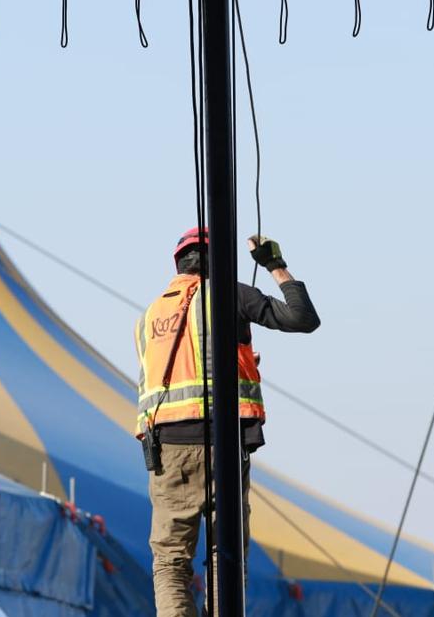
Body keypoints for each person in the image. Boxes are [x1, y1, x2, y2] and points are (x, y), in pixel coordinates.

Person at [134, 227, 320, 616]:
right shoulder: (229, 294)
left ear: (178, 264)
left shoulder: (148, 318)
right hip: (225, 445)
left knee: (170, 561)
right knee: (226, 556)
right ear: (218, 261)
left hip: (168, 452)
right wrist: (275, 265)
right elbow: (302, 317)